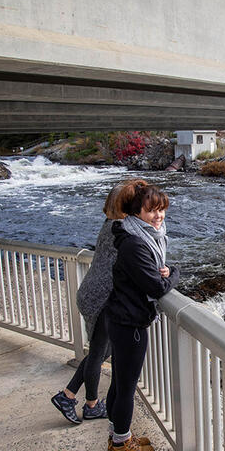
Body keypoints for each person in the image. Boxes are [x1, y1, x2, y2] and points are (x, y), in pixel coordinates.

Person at [50, 179, 147, 424]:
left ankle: (69, 394)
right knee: (97, 353)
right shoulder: (123, 230)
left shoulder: (111, 224)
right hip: (101, 298)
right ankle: (89, 403)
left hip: (92, 293)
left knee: (105, 350)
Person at [104, 182, 179, 451]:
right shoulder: (135, 244)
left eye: (161, 210)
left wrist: (166, 274)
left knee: (120, 383)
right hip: (129, 323)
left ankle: (118, 436)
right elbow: (157, 287)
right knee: (126, 388)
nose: (158, 216)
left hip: (122, 318)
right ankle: (122, 445)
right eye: (151, 211)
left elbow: (154, 279)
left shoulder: (139, 235)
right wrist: (175, 273)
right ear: (136, 212)